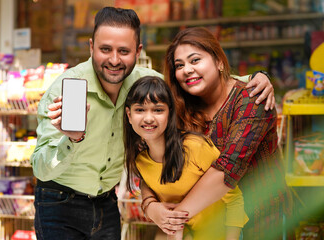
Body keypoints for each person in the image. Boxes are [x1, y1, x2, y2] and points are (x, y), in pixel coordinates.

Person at [30, 6, 274, 239]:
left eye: (124, 51)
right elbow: (40, 168)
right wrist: (71, 140)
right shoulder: (64, 90)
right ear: (91, 47)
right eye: (105, 49)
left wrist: (256, 78)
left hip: (106, 203)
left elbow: (194, 83)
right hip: (59, 201)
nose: (114, 60)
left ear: (138, 51)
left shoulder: (145, 82)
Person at [141, 27, 291, 240]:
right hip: (208, 224)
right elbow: (151, 160)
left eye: (195, 60)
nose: (187, 70)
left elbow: (227, 170)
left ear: (219, 61)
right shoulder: (180, 110)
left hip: (262, 219)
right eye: (179, 65)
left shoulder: (251, 99)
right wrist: (151, 206)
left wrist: (175, 220)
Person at [124, 76, 248, 240]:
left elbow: (234, 199)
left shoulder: (194, 147)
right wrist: (151, 207)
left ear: (170, 113)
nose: (148, 118)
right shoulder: (140, 160)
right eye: (140, 110)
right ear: (129, 114)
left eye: (158, 110)